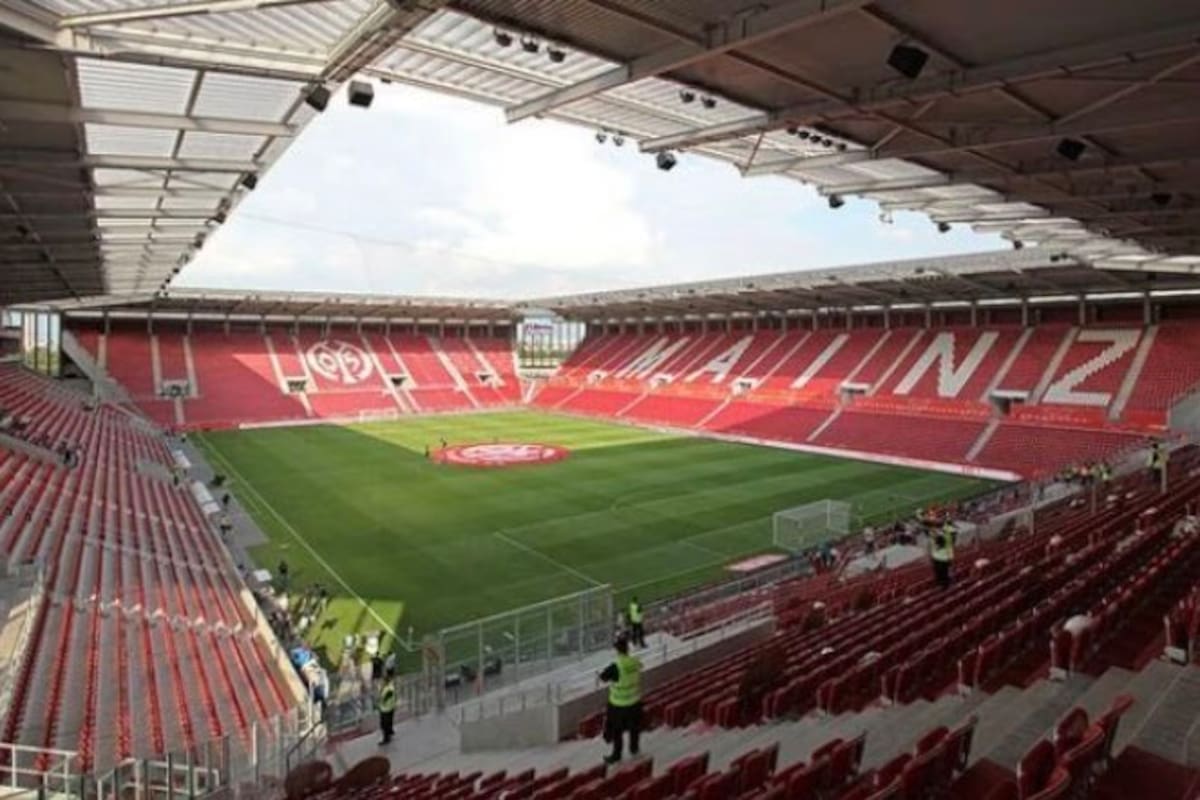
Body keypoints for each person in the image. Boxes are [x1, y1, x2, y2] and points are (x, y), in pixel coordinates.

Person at [599, 635, 643, 764]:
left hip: (619, 705)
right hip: (635, 702)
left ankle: (616, 754)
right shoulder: (635, 661)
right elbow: (639, 668)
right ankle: (634, 748)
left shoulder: (616, 666)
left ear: (617, 650)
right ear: (627, 649)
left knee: (617, 731)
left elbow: (603, 677)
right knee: (634, 728)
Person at [376, 670, 396, 746]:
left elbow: (383, 699)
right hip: (389, 707)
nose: (381, 683)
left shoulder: (388, 689)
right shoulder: (389, 687)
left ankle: (386, 738)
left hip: (386, 709)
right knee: (388, 722)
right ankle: (390, 732)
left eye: (382, 681)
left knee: (384, 724)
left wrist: (379, 698)